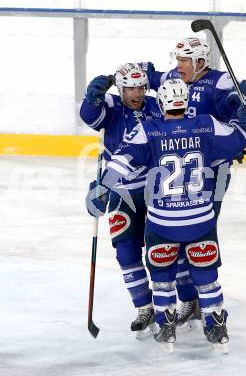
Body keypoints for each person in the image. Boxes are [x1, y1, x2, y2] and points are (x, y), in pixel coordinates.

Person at [87, 78, 246, 353]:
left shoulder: (149, 130)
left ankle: (165, 324)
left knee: (162, 275)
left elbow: (121, 162)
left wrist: (101, 186)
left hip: (163, 222)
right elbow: (239, 137)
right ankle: (216, 325)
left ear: (161, 103)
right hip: (200, 220)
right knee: (206, 275)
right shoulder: (206, 124)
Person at [141, 37, 246, 324]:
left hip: (213, 171)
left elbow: (245, 107)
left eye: (185, 61)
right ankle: (192, 299)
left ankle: (202, 298)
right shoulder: (174, 77)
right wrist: (143, 74)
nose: (179, 66)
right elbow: (155, 79)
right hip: (180, 172)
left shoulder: (220, 82)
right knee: (178, 236)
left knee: (197, 235)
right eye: (178, 60)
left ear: (200, 62)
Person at [80, 63, 163, 338]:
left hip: (155, 191)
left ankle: (174, 304)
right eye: (130, 88)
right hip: (120, 192)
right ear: (120, 88)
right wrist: (92, 98)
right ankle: (144, 307)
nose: (137, 93)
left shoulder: (157, 105)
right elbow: (89, 116)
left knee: (161, 252)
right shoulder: (111, 106)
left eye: (141, 87)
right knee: (126, 252)